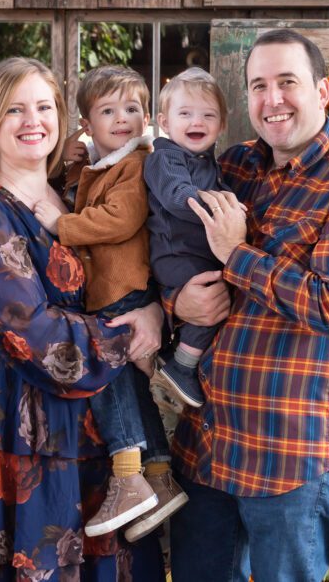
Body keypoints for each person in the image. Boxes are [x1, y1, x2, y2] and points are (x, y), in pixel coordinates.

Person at [167, 29, 329, 581]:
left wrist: (238, 254)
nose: (272, 99)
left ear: (322, 91)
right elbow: (173, 239)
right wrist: (176, 299)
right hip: (209, 445)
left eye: (287, 82)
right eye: (258, 86)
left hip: (289, 456)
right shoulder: (233, 167)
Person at [0, 57, 165, 582]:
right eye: (14, 110)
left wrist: (157, 308)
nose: (33, 120)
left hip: (100, 427)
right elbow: (32, 334)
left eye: (44, 107)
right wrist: (135, 330)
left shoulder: (72, 198)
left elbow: (123, 273)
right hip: (27, 426)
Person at [33, 65, 188, 542]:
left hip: (122, 290)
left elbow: (119, 219)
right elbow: (89, 191)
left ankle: (127, 475)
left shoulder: (139, 163)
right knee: (133, 387)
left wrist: (63, 226)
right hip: (112, 289)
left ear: (147, 117)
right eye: (108, 110)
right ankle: (159, 476)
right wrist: (73, 166)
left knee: (109, 382)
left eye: (132, 108)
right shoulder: (105, 163)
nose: (122, 118)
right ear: (86, 124)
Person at [144, 67, 232, 408]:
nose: (197, 121)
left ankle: (176, 355)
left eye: (208, 115)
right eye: (185, 114)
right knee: (213, 298)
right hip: (174, 254)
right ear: (165, 122)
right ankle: (183, 365)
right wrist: (221, 211)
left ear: (221, 124)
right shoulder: (165, 157)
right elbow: (175, 194)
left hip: (195, 254)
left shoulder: (210, 162)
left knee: (222, 294)